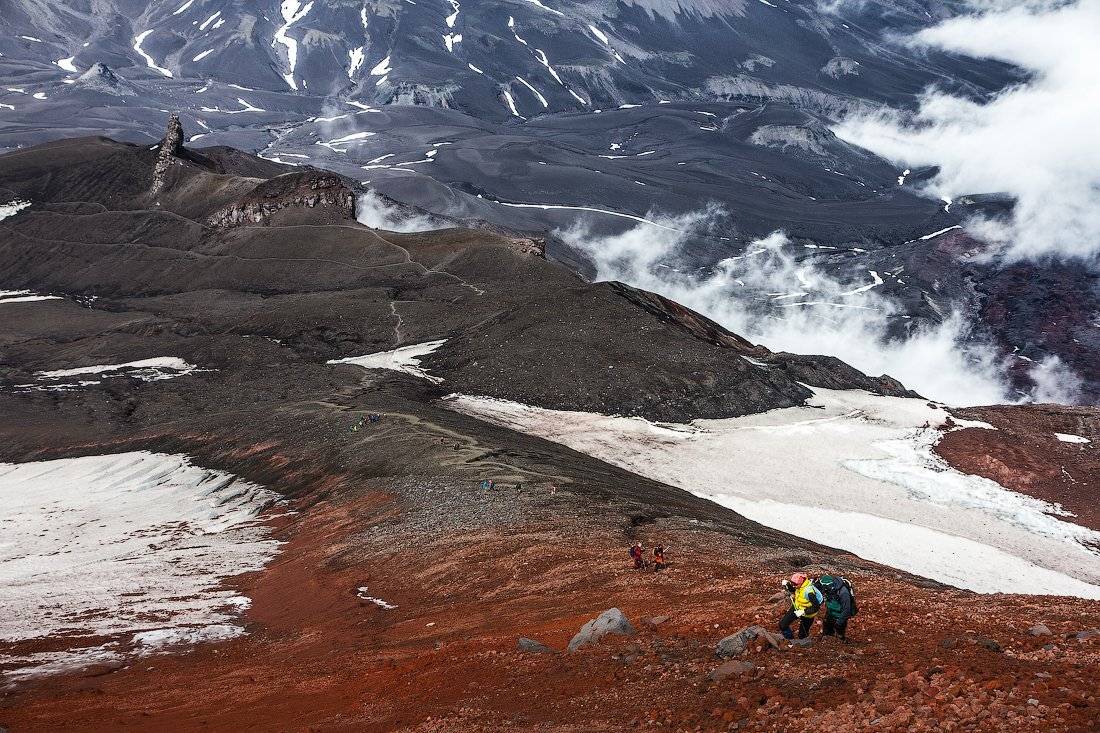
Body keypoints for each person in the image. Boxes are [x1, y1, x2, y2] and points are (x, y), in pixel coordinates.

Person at [778, 572, 822, 640]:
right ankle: (790, 640)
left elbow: (816, 607)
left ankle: (803, 644)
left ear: (801, 583)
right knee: (782, 625)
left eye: (795, 584)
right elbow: (795, 590)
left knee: (802, 635)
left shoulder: (809, 592)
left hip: (808, 614)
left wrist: (803, 612)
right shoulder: (799, 586)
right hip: (797, 607)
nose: (793, 585)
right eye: (792, 583)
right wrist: (788, 585)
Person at [818, 574, 856, 641]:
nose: (824, 588)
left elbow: (846, 610)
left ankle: (841, 643)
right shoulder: (827, 588)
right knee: (827, 632)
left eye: (826, 586)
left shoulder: (843, 592)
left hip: (840, 616)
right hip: (830, 613)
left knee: (840, 634)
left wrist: (839, 622)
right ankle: (828, 642)